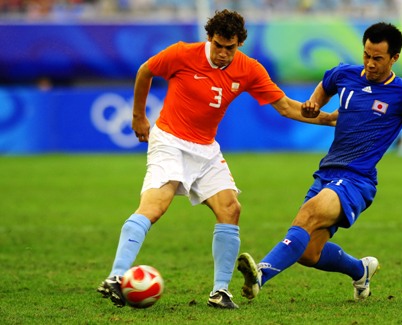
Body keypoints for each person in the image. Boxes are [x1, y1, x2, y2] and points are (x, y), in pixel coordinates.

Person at [96, 9, 336, 309]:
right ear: (209, 38)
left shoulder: (249, 69)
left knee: (230, 208)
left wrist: (329, 119)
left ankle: (220, 292)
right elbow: (145, 70)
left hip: (206, 149)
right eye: (218, 46)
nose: (223, 53)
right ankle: (116, 277)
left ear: (239, 45)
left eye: (230, 48)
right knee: (155, 206)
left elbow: (286, 107)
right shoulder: (182, 53)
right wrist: (138, 116)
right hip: (169, 141)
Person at [237, 22, 402, 302]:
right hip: (327, 173)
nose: (369, 63)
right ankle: (361, 269)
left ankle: (261, 274)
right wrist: (314, 103)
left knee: (307, 215)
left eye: (378, 58)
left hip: (358, 180)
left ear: (394, 58)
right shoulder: (346, 74)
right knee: (308, 253)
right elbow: (326, 85)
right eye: (367, 55)